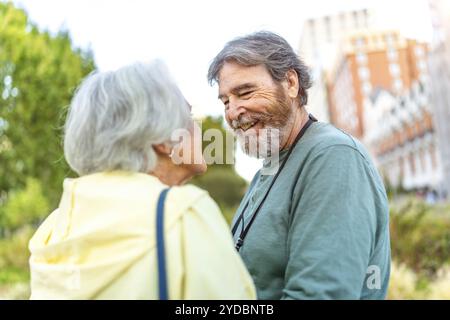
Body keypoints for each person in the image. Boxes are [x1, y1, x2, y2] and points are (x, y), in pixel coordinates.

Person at [28, 60, 256, 300]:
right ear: (162, 139)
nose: (198, 128)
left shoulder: (54, 226)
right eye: (187, 115)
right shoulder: (182, 213)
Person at [207, 31, 391, 299]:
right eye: (226, 101)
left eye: (245, 93)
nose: (233, 112)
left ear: (291, 83)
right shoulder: (267, 169)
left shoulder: (334, 156)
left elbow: (319, 295)